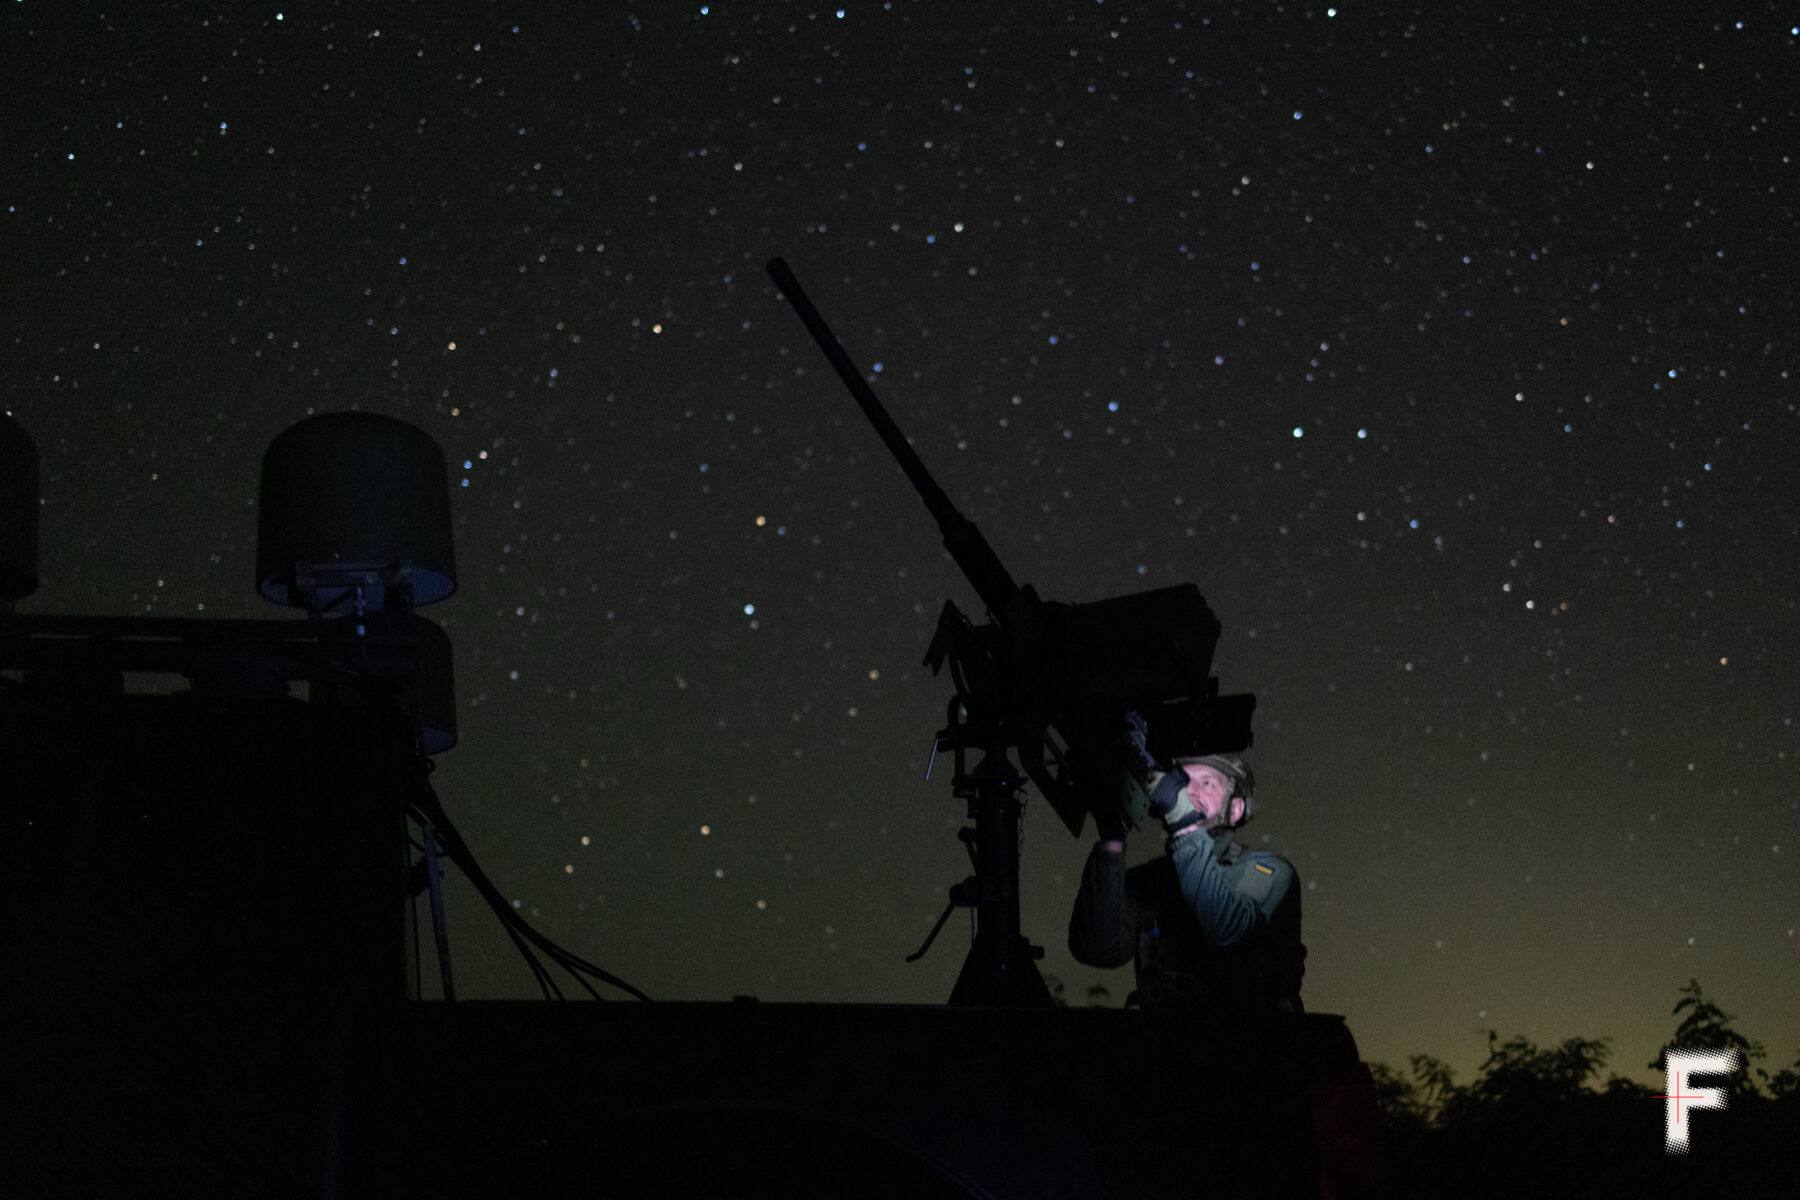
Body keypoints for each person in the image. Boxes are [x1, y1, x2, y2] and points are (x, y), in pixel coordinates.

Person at [1067, 753, 1305, 1013]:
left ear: (1235, 809)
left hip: (1249, 1045)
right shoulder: (1151, 880)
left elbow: (1224, 929)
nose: (1189, 792)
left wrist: (1184, 822)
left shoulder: (1267, 871)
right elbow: (1098, 951)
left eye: (1207, 783)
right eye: (1182, 782)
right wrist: (1112, 839)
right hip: (1167, 1046)